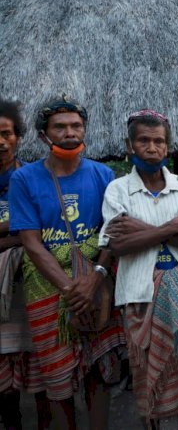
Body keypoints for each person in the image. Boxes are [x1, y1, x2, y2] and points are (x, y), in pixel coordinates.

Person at [9, 95, 126, 429]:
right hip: (48, 287)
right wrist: (71, 289)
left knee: (100, 371)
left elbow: (112, 231)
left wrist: (95, 278)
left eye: (76, 125)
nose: (69, 132)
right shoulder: (25, 179)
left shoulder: (103, 174)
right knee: (57, 379)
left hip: (98, 282)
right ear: (44, 135)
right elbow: (31, 242)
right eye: (59, 127)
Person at [100, 110, 178, 428]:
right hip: (139, 295)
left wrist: (140, 229)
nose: (152, 147)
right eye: (144, 140)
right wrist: (172, 226)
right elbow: (116, 245)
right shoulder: (118, 189)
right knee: (148, 370)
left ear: (168, 146)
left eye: (159, 141)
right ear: (129, 145)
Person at [0, 100, 30, 430]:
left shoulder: (30, 176)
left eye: (6, 133)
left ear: (17, 137)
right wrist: (16, 231)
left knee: (21, 363)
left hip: (23, 285)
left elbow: (36, 230)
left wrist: (22, 234)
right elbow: (24, 230)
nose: (1, 141)